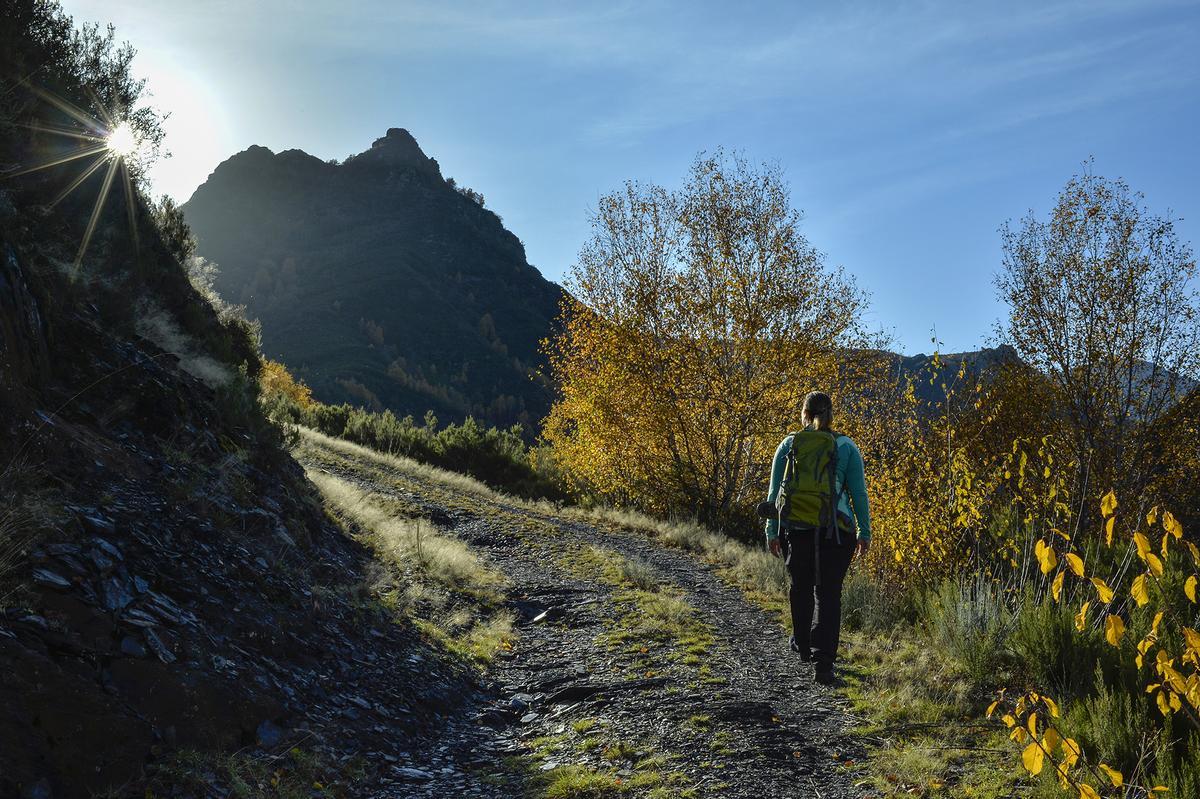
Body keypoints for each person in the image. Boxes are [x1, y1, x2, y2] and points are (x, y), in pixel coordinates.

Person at [764, 391, 871, 685]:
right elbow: (858, 494)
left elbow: (774, 494)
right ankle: (824, 666)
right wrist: (864, 531)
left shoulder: (789, 445)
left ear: (803, 414)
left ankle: (802, 645)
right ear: (831, 414)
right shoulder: (847, 447)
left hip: (796, 529)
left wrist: (772, 531)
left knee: (800, 587)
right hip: (836, 530)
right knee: (829, 594)